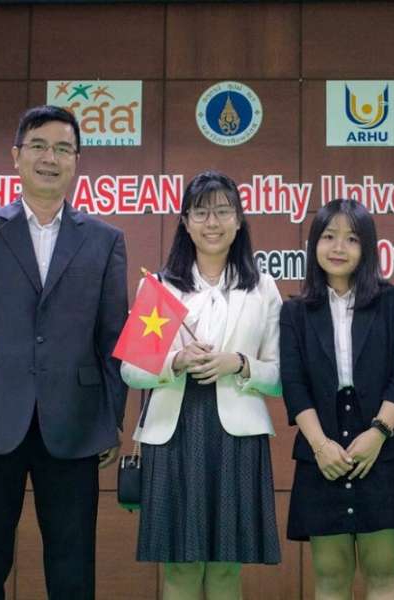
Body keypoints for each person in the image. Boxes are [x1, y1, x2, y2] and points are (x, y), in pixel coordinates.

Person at [0, 105, 129, 599]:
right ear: (16, 156)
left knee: (72, 573)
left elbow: (113, 338)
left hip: (75, 423)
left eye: (63, 149)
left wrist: (110, 418)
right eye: (39, 146)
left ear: (77, 161)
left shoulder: (105, 240)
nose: (50, 158)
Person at [121, 170, 282, 600]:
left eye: (223, 212)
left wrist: (239, 364)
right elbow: (131, 371)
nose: (213, 223)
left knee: (227, 568)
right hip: (173, 434)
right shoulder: (159, 287)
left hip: (237, 438)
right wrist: (175, 361)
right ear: (185, 223)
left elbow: (281, 376)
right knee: (180, 566)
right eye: (201, 213)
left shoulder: (262, 288)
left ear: (239, 220)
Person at [280, 199, 394, 600]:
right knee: (330, 576)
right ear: (314, 244)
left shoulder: (393, 302)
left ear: (368, 247)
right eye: (329, 237)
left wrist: (378, 432)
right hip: (321, 449)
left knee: (384, 572)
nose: (338, 247)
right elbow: (293, 384)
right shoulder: (295, 312)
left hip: (384, 445)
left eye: (351, 239)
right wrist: (320, 445)